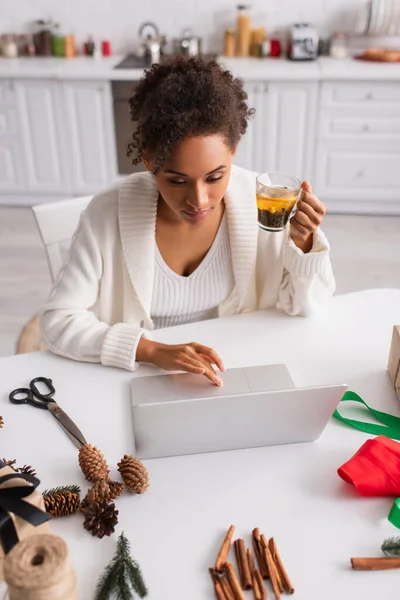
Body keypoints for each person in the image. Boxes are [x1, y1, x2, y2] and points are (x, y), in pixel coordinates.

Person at [41, 57, 335, 386]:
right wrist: (148, 349)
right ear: (150, 162)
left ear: (234, 152)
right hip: (138, 379)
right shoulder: (107, 214)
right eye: (177, 181)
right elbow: (58, 322)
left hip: (237, 371)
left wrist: (304, 243)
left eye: (215, 177)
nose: (199, 200)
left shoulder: (265, 206)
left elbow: (310, 308)